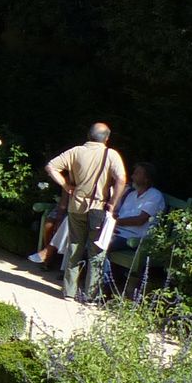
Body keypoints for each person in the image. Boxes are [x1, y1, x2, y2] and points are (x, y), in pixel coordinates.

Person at [43, 123, 127, 303]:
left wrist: (66, 185)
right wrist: (113, 203)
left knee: (74, 246)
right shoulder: (111, 154)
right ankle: (90, 296)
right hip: (99, 208)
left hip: (76, 206)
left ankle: (69, 292)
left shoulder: (76, 151)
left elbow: (51, 166)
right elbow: (121, 179)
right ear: (107, 138)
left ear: (89, 135)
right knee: (96, 251)